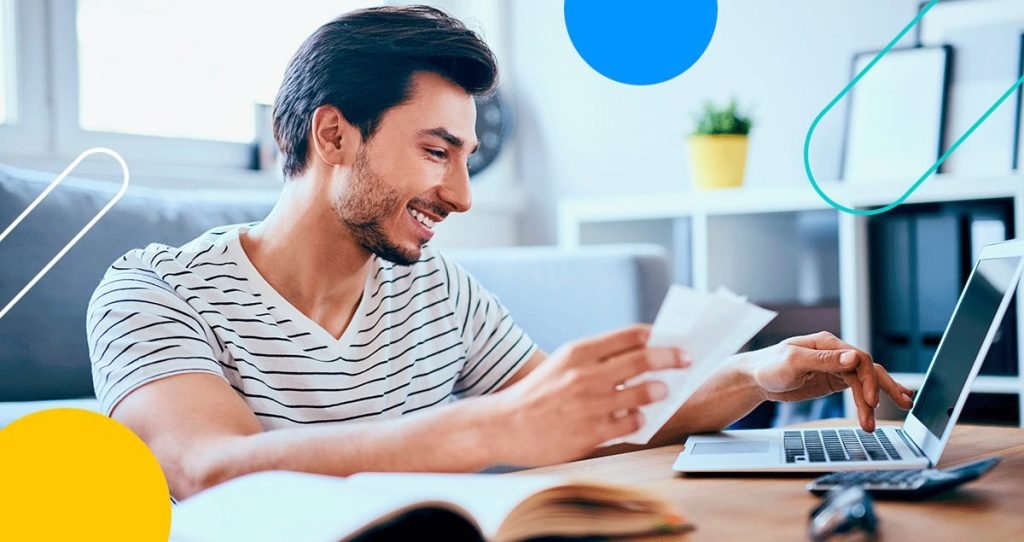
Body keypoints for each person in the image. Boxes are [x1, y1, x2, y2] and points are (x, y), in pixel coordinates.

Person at [86, 5, 914, 501]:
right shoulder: (152, 290)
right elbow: (204, 468)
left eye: (467, 159)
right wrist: (491, 429)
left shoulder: (439, 291)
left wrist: (755, 375)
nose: (462, 195)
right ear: (333, 133)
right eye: (437, 151)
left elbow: (591, 422)